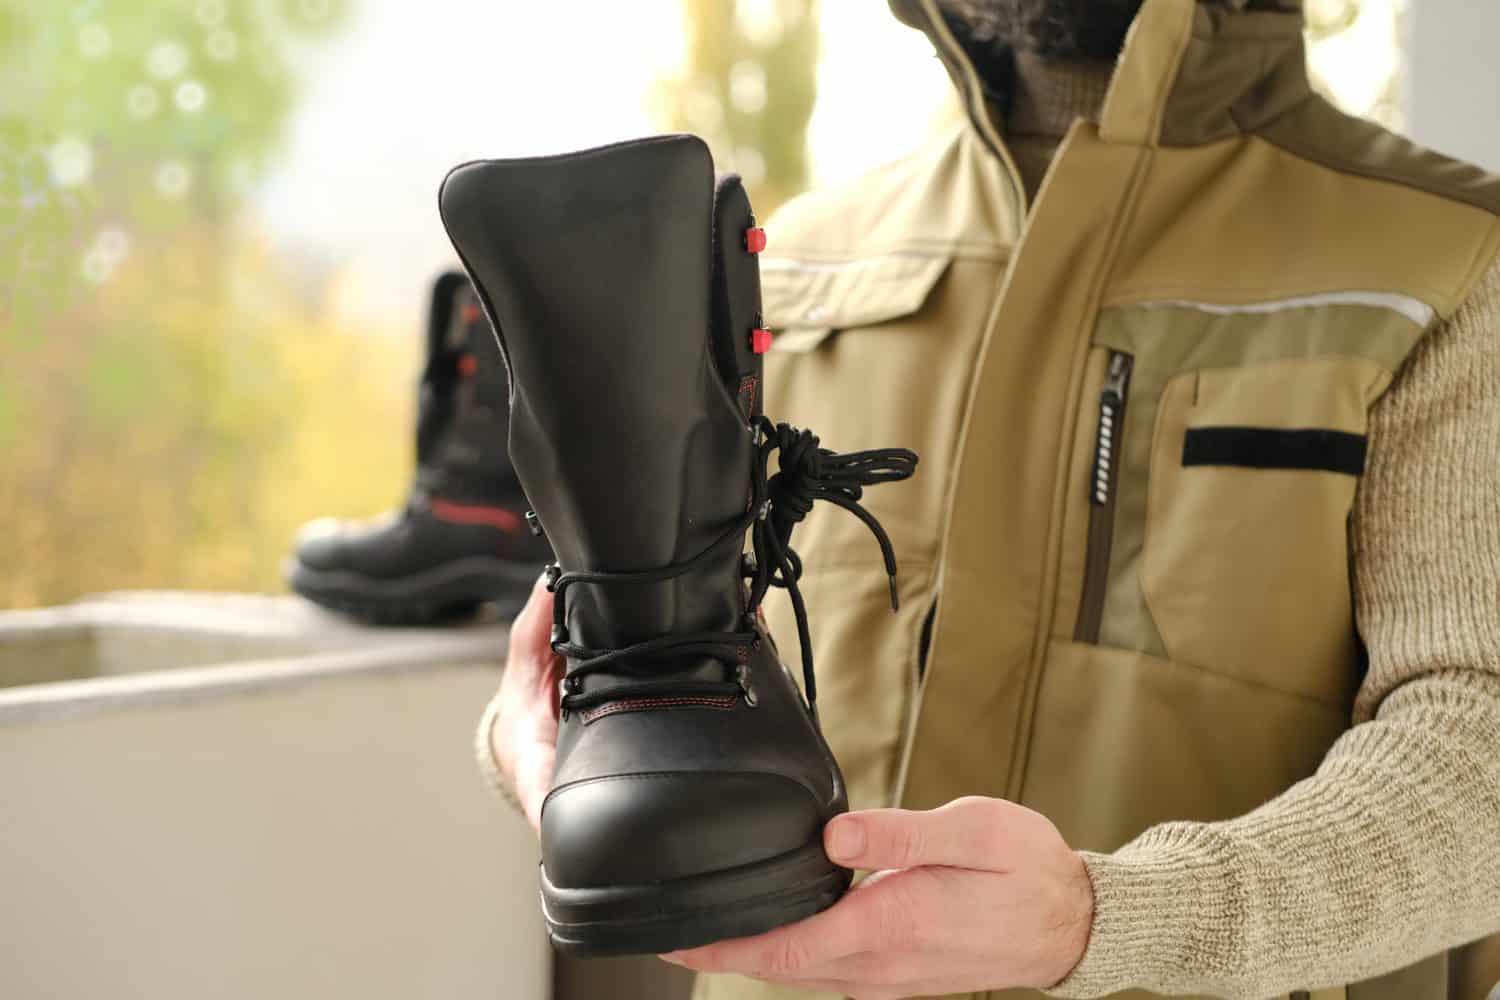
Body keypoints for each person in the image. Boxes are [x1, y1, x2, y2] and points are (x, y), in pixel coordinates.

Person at [476, 0, 1500, 997]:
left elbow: (1479, 739)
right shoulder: (797, 262)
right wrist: (542, 736)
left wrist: (1112, 916)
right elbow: (641, 648)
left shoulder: (1447, 264)